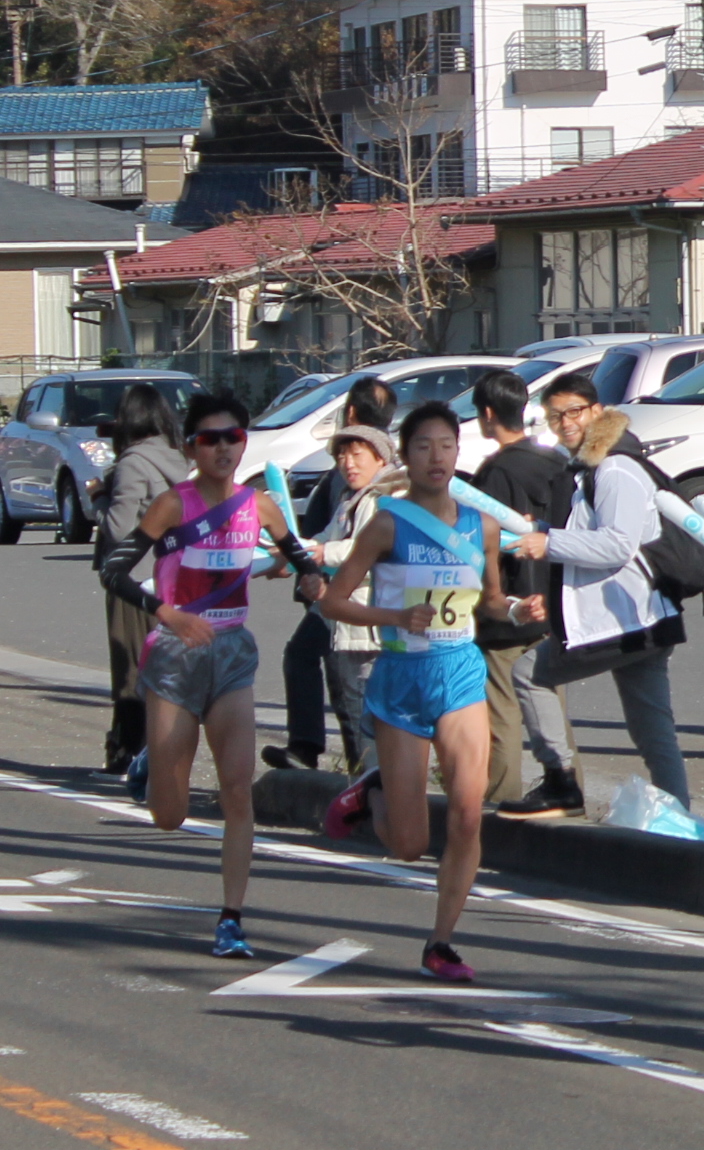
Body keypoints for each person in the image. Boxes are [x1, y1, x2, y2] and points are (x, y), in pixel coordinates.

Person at [318, 402, 528, 982]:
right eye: (423, 448)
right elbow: (333, 600)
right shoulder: (386, 522)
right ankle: (374, 787)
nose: (436, 458)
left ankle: (442, 942)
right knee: (408, 844)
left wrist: (514, 606)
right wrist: (393, 614)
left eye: (446, 447)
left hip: (460, 671)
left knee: (466, 814)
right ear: (404, 458)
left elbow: (489, 598)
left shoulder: (480, 526)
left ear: (459, 454)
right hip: (402, 676)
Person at [95, 389, 298, 959]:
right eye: (210, 439)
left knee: (238, 790)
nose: (224, 448)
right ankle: (150, 761)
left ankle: (231, 918)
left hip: (232, 656)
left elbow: (300, 558)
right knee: (170, 815)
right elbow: (112, 571)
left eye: (233, 437)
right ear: (191, 447)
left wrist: (294, 569)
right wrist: (168, 613)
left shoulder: (258, 505)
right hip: (174, 657)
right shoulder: (172, 505)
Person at [512, 373, 690, 808]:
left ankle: (560, 780)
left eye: (574, 411)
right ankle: (681, 826)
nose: (565, 422)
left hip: (625, 619)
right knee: (653, 732)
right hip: (638, 621)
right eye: (556, 415)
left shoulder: (615, 468)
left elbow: (617, 543)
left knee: (528, 673)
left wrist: (547, 542)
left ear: (596, 411)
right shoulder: (591, 466)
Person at [467, 369, 580, 815]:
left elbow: (484, 544)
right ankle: (574, 799)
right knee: (552, 706)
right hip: (556, 600)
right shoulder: (557, 463)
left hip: (510, 604)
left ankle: (500, 802)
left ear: (488, 414)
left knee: (502, 716)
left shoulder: (493, 473)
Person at [271, 376, 395, 775]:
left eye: (356, 454)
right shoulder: (349, 494)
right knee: (350, 692)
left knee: (359, 697)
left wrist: (320, 555)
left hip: (364, 609)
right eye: (343, 455)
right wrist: (290, 557)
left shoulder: (385, 494)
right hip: (339, 604)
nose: (348, 462)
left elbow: (365, 547)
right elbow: (321, 536)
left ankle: (364, 780)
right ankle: (358, 775)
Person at [91, 380, 185, 778]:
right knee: (158, 665)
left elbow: (119, 527)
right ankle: (156, 752)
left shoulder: (132, 463)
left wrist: (96, 496)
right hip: (167, 574)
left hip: (131, 576)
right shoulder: (175, 459)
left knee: (130, 664)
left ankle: (128, 754)